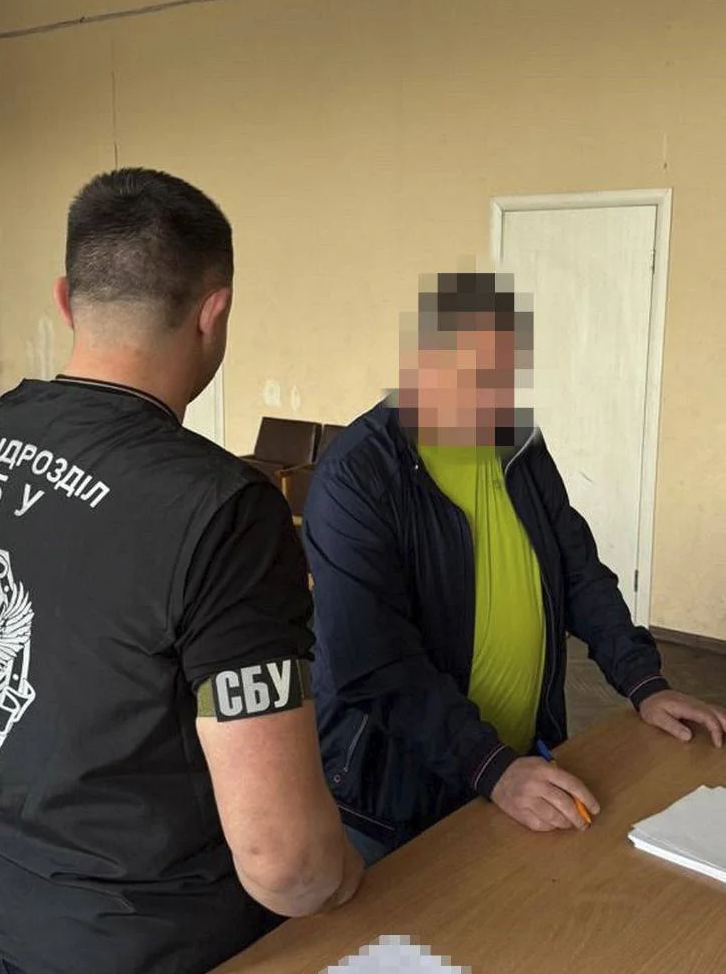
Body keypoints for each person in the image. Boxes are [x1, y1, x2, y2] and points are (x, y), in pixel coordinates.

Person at [0, 168, 363, 974]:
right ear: (214, 312)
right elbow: (283, 864)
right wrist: (348, 877)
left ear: (66, 299)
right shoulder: (221, 512)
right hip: (155, 965)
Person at [303, 271, 726, 866]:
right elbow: (375, 660)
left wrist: (643, 683)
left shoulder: (518, 444)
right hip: (397, 800)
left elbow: (579, 572)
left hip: (515, 769)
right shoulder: (359, 475)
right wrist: (489, 765)